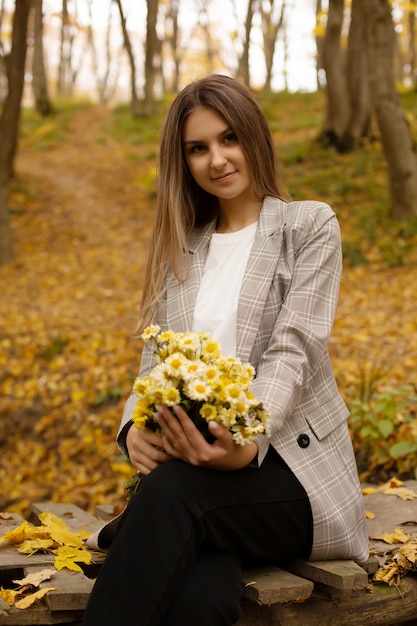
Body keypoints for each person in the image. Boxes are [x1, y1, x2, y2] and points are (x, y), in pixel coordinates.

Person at [82, 74, 368, 626]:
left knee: (171, 497)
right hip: (197, 476)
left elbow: (295, 349)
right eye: (198, 147)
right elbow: (154, 363)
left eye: (229, 138)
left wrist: (248, 437)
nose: (217, 159)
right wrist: (132, 431)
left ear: (255, 136)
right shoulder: (180, 246)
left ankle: (138, 531)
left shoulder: (308, 225)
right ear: (182, 160)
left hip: (291, 473)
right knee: (200, 597)